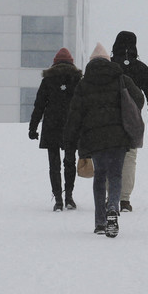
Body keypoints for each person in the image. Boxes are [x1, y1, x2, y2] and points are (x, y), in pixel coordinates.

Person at [64, 43, 144, 238]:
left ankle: (100, 222)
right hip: (118, 137)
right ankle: (112, 208)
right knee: (115, 175)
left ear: (91, 63)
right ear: (108, 61)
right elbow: (139, 99)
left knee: (100, 176)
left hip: (95, 138)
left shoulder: (84, 84)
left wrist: (70, 141)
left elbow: (75, 114)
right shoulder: (121, 79)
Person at [110, 31, 148, 212]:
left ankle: (111, 196)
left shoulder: (110, 65)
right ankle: (124, 200)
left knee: (110, 156)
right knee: (129, 157)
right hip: (133, 118)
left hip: (110, 117)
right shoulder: (140, 68)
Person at [28, 47, 83, 212]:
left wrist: (33, 128)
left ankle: (58, 198)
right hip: (71, 125)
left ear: (54, 63)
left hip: (52, 125)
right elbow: (84, 105)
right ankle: (69, 197)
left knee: (54, 165)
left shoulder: (48, 80)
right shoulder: (78, 80)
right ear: (71, 63)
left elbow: (39, 106)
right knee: (70, 162)